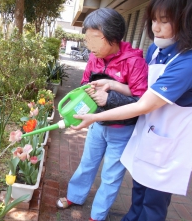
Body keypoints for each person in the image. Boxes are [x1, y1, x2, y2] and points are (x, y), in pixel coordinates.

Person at [71, 0, 192, 220]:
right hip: (144, 134)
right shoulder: (156, 49)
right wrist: (112, 84)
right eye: (154, 20)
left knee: (151, 202)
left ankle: (98, 215)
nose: (155, 27)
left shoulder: (186, 61)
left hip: (163, 142)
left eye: (164, 21)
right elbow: (142, 92)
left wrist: (98, 111)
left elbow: (142, 102)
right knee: (137, 191)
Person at [55, 8, 148, 221]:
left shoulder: (135, 62)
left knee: (111, 176)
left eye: (94, 39)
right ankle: (74, 196)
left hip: (122, 130)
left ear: (112, 37)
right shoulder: (94, 58)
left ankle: (97, 215)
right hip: (97, 126)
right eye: (87, 39)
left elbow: (142, 102)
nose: (89, 46)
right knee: (87, 163)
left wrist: (110, 98)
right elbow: (84, 83)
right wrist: (85, 94)